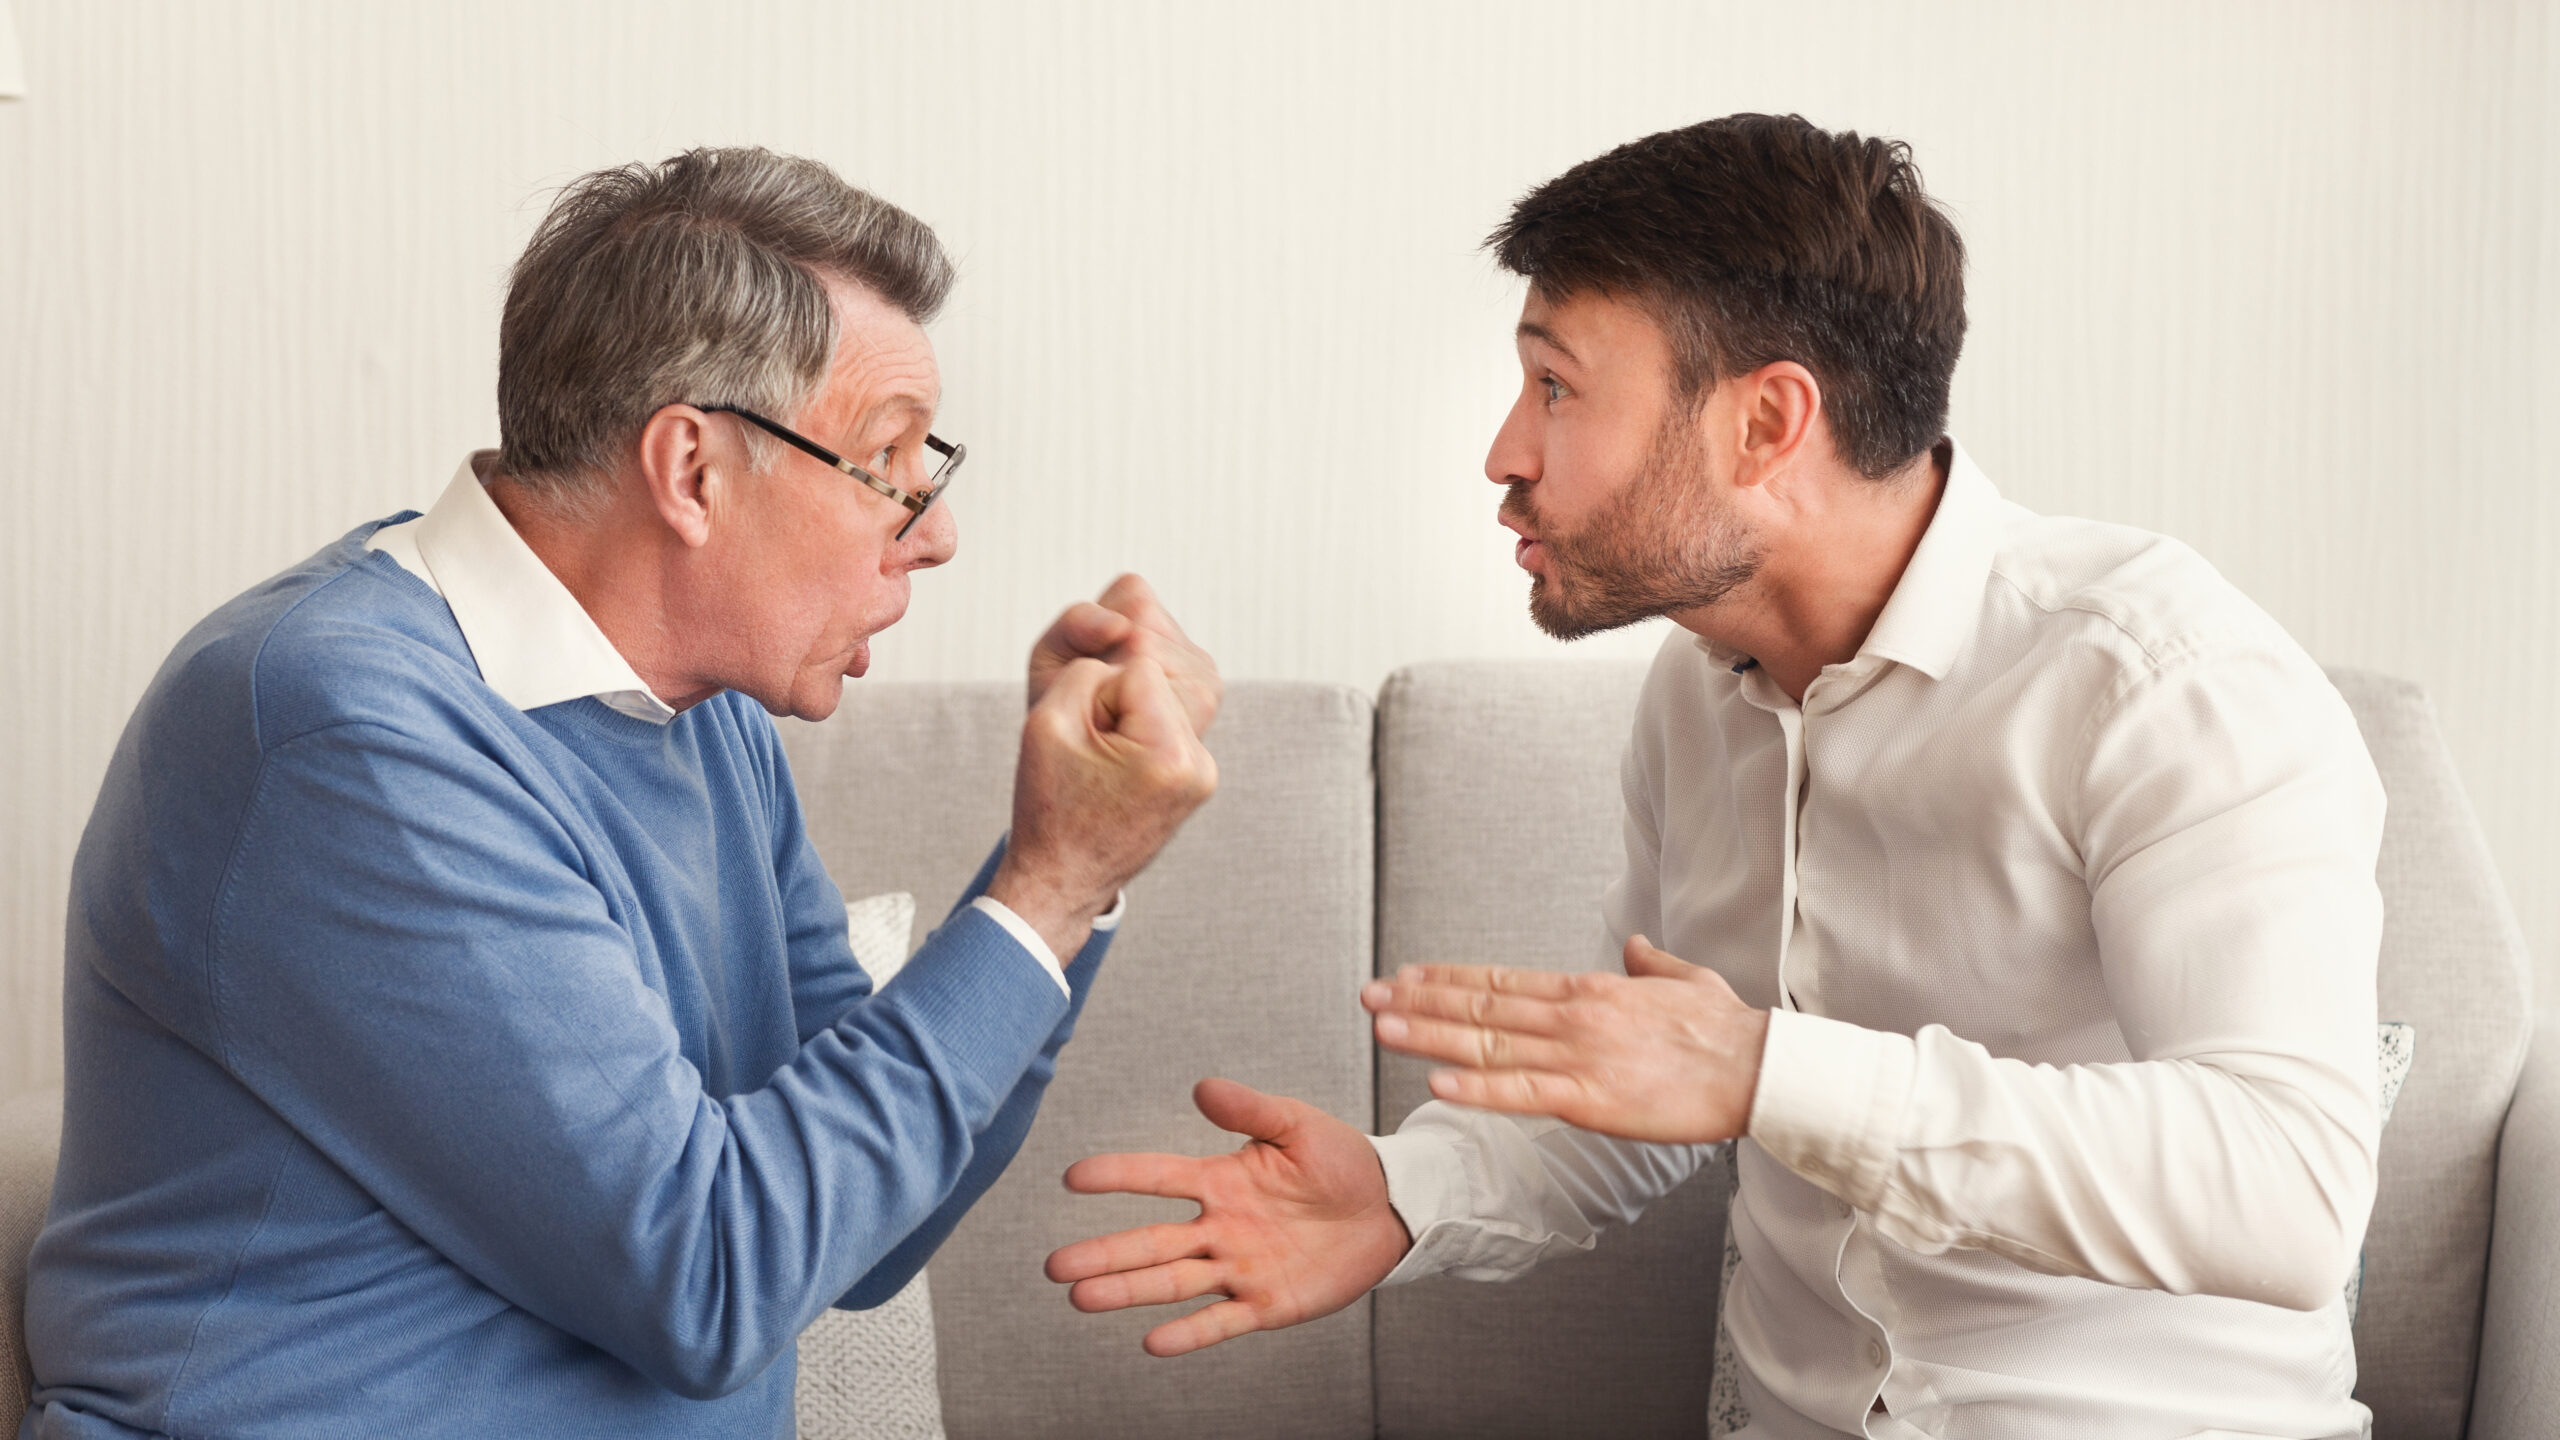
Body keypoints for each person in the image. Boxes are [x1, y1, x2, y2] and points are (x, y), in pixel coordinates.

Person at [1049, 114, 2385, 1439]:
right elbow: (1657, 1086)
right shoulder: (1697, 693)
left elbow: (2289, 1189)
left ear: (1768, 422)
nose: (1507, 455)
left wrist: (1771, 1070)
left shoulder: (2160, 683)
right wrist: (1405, 1193)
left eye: (1558, 387)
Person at [22, 147, 1221, 1440]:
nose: (934, 531)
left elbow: (861, 1239)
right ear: (693, 470)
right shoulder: (341, 728)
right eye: (892, 462)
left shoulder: (700, 716)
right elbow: (707, 1277)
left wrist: (1067, 877)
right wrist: (1046, 891)